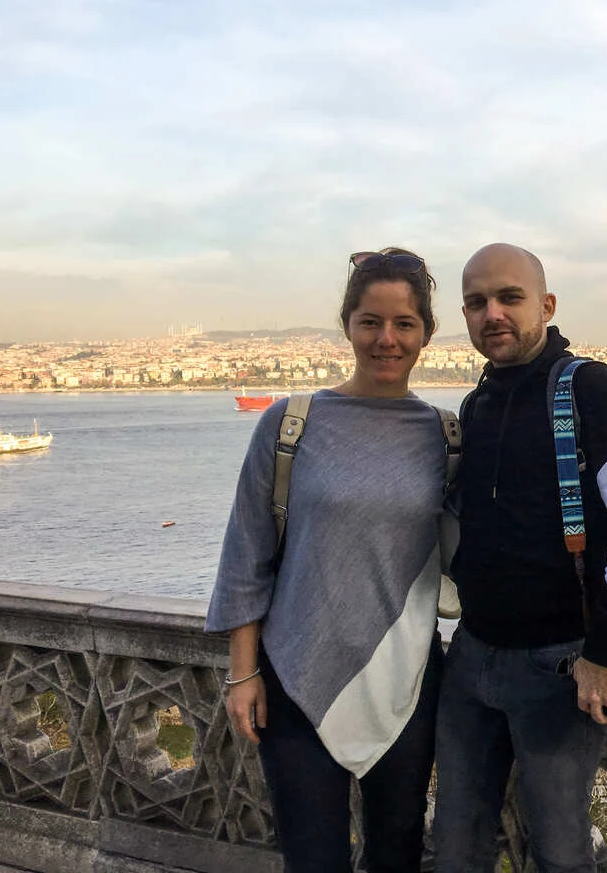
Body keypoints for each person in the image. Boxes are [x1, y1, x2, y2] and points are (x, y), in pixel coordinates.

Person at [205, 247, 447, 873]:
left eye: (403, 324)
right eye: (371, 321)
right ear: (347, 325)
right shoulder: (290, 425)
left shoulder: (447, 436)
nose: (386, 339)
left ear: (426, 332)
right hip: (293, 671)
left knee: (398, 853)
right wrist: (241, 672)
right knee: (312, 857)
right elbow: (246, 554)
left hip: (410, 674)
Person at [432, 243, 607, 873]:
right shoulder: (481, 401)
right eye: (477, 302)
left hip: (560, 665)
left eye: (510, 298)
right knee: (454, 845)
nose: (493, 314)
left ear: (547, 304)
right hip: (473, 654)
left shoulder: (590, 388)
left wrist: (600, 653)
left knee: (561, 853)